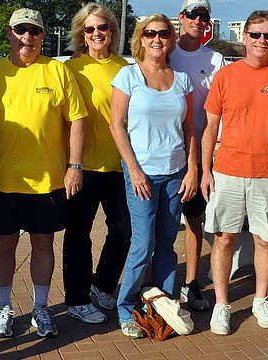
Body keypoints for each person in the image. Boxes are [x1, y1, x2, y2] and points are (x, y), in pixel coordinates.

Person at [0, 8, 87, 339]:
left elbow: (78, 119)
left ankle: (40, 307)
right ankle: (4, 307)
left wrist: (74, 166)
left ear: (43, 36)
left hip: (49, 180)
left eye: (35, 31)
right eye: (21, 30)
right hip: (5, 179)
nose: (28, 37)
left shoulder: (57, 71)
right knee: (5, 244)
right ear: (10, 34)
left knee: (43, 242)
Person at [201, 10, 268, 336]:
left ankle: (261, 299)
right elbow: (210, 128)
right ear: (244, 37)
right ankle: (222, 304)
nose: (262, 41)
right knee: (223, 239)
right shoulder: (226, 76)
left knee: (265, 240)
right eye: (256, 34)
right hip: (227, 172)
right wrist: (205, 170)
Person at [109, 13, 197, 339]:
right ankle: (125, 306)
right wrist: (133, 169)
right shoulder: (128, 76)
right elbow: (116, 125)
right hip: (141, 174)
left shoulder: (182, 80)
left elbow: (189, 129)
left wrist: (192, 169)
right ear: (141, 39)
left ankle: (162, 304)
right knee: (142, 244)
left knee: (166, 244)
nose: (156, 39)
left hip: (175, 174)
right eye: (150, 34)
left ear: (171, 39)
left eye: (162, 33)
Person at [61, 3, 131, 324]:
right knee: (78, 233)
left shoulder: (126, 68)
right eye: (89, 29)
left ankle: (101, 285)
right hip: (82, 166)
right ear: (81, 34)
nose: (96, 33)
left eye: (102, 27)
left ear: (112, 31)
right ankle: (76, 298)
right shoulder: (70, 69)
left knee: (124, 231)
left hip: (119, 166)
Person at [170, 0, 227, 313]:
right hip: (165, 151)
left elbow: (221, 106)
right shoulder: (164, 50)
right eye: (192, 14)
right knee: (160, 224)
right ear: (181, 18)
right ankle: (156, 284)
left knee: (194, 220)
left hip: (200, 150)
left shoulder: (215, 58)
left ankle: (191, 284)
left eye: (203, 16)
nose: (198, 20)